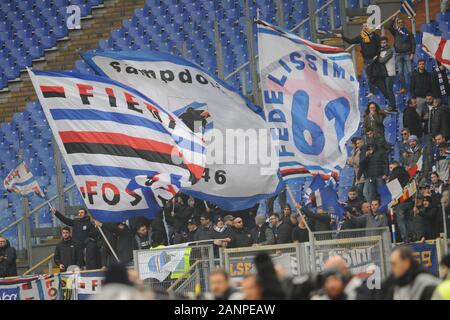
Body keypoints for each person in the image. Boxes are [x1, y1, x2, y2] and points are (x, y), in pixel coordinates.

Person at [338, 23, 381, 97]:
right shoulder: (361, 36)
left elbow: (379, 45)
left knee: (375, 75)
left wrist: (377, 55)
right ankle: (371, 91)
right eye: (363, 26)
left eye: (366, 26)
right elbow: (351, 41)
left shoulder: (374, 35)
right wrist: (342, 37)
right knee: (368, 76)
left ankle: (378, 90)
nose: (364, 27)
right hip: (366, 59)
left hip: (375, 59)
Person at [388, 161, 414, 243]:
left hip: (401, 200)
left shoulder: (394, 173)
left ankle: (405, 238)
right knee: (408, 219)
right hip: (409, 200)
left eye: (391, 167)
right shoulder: (405, 172)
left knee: (401, 220)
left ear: (395, 166)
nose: (390, 170)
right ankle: (412, 236)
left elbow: (392, 187)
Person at [388, 16, 416, 93]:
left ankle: (414, 86)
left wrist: (412, 53)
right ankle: (404, 88)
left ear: (404, 23)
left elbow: (413, 43)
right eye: (399, 23)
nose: (400, 24)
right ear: (397, 24)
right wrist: (393, 20)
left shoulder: (409, 33)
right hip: (398, 54)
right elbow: (389, 27)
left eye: (401, 22)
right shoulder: (396, 32)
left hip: (407, 54)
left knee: (410, 72)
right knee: (400, 73)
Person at [378, 36, 397, 111]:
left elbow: (383, 60)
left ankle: (393, 106)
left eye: (384, 42)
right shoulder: (379, 50)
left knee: (389, 90)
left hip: (390, 72)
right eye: (382, 43)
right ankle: (390, 105)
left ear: (387, 42)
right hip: (383, 73)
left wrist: (377, 58)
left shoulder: (390, 50)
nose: (383, 44)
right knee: (385, 90)